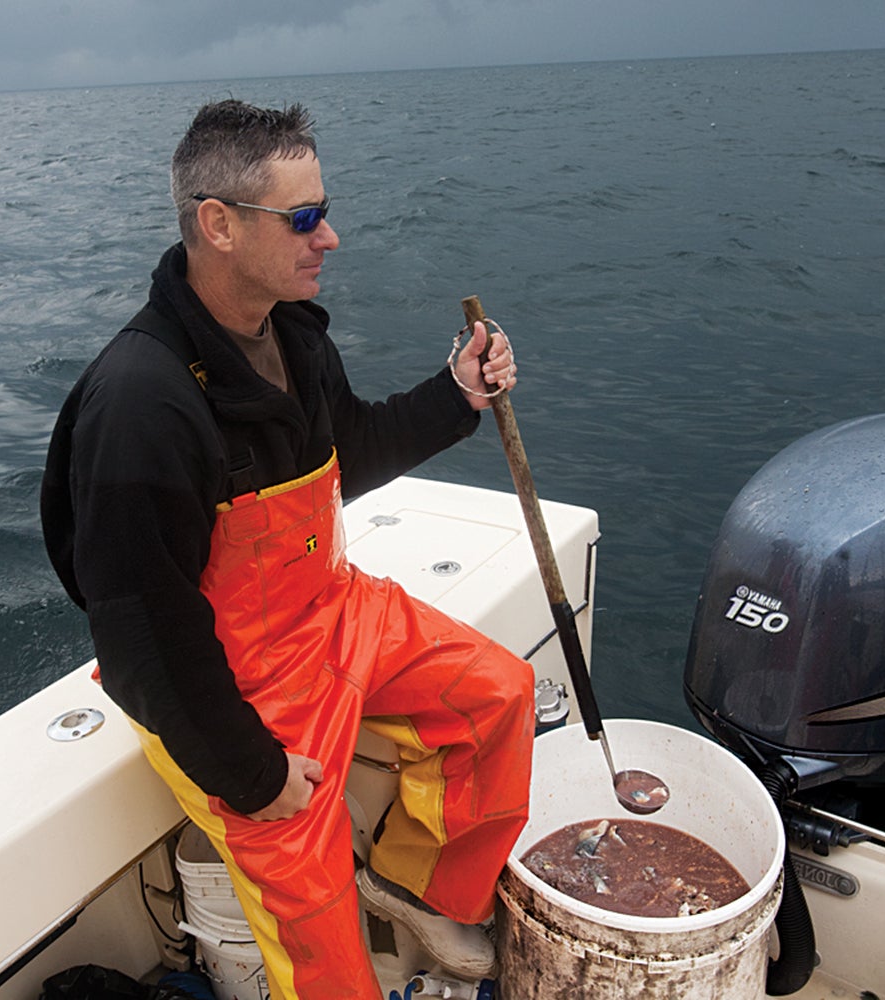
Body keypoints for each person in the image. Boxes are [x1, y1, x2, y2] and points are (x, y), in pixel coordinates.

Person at [41, 100, 532, 1000]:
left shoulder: (295, 333)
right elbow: (144, 640)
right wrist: (253, 775)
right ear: (218, 225)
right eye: (303, 218)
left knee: (498, 696)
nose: (330, 237)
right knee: (326, 957)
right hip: (231, 684)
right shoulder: (141, 405)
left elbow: (351, 452)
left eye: (324, 210)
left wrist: (455, 393)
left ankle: (415, 888)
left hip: (333, 614)